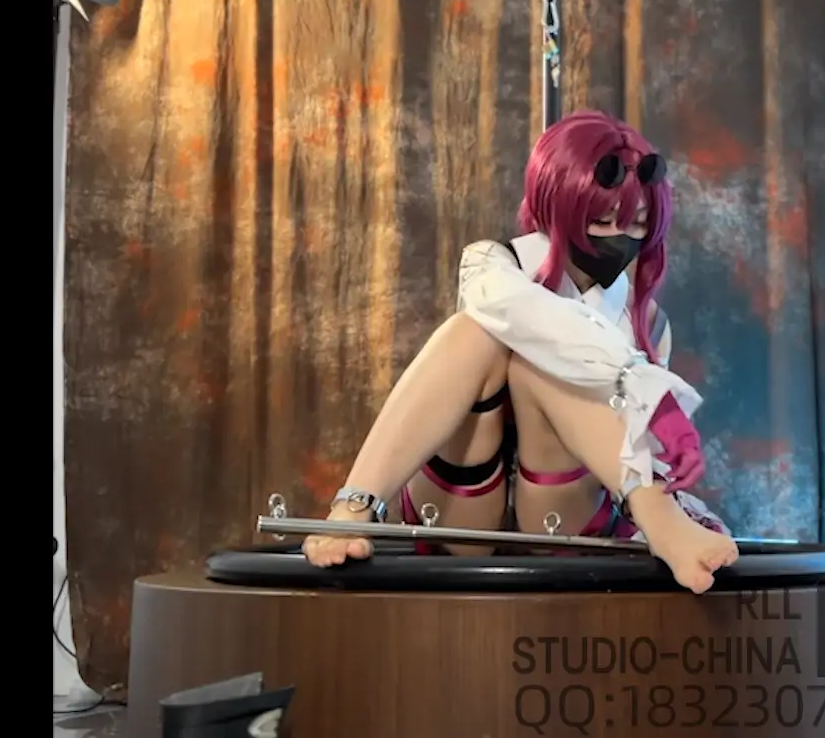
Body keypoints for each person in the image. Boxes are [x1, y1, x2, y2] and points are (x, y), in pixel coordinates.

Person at [303, 111, 739, 593]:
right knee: (476, 331)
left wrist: (646, 412)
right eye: (602, 220)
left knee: (540, 365)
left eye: (637, 223)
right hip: (462, 506)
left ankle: (659, 516)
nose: (623, 238)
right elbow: (533, 317)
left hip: (560, 514)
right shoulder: (492, 266)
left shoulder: (648, 321)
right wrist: (638, 385)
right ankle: (355, 504)